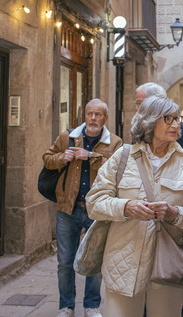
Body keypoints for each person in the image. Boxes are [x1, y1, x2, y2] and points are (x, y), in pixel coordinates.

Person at [86, 95, 183, 316]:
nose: (176, 124)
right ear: (150, 121)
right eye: (169, 118)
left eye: (177, 118)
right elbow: (94, 202)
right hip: (123, 265)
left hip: (168, 268)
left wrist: (175, 214)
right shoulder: (122, 157)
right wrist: (126, 207)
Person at [42, 99, 123, 317]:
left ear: (105, 118)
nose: (93, 118)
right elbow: (47, 159)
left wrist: (91, 156)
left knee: (94, 260)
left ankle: (91, 306)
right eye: (90, 114)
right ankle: (66, 306)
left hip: (97, 210)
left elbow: (119, 170)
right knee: (65, 262)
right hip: (68, 209)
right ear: (84, 116)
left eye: (98, 114)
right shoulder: (66, 138)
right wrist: (62, 157)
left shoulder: (114, 142)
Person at [135, 82, 183, 167]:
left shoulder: (182, 130)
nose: (136, 108)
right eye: (136, 103)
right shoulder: (139, 129)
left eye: (140, 103)